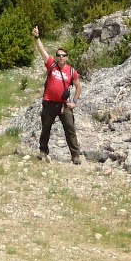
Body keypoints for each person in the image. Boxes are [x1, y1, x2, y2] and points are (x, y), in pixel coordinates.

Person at [32, 26, 81, 164]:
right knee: (46, 128)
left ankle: (75, 155)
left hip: (64, 105)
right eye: (58, 55)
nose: (60, 57)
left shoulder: (71, 71)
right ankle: (43, 151)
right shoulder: (51, 65)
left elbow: (78, 87)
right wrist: (37, 37)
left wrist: (74, 102)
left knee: (70, 129)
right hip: (48, 103)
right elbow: (42, 50)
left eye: (63, 55)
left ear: (67, 57)